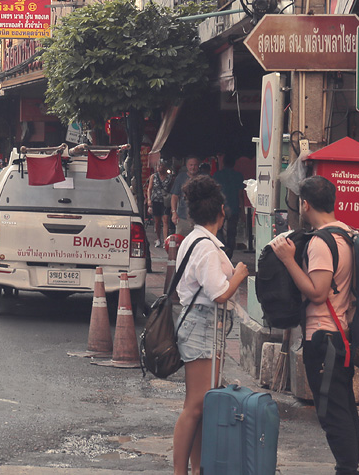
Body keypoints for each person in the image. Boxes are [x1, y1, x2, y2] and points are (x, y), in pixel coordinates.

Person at [270, 176, 359, 475]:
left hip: (323, 338)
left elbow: (318, 292)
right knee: (342, 409)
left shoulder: (322, 241)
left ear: (306, 204)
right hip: (339, 335)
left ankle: (347, 470)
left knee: (333, 414)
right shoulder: (347, 233)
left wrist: (288, 259)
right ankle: (348, 468)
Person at [171, 175, 249, 475]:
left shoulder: (197, 240)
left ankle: (197, 467)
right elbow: (219, 294)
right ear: (221, 212)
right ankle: (181, 471)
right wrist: (240, 274)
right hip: (201, 326)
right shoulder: (205, 246)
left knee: (203, 407)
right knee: (196, 406)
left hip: (204, 326)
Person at [211, 152, 245, 256]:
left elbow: (214, 192)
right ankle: (229, 251)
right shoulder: (239, 176)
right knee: (232, 232)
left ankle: (223, 247)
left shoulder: (217, 175)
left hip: (219, 206)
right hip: (234, 206)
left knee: (218, 229)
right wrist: (242, 210)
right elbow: (240, 195)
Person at [171, 155, 200, 236]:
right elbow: (174, 196)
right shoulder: (181, 177)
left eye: (195, 165)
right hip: (182, 218)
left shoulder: (203, 178)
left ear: (198, 166)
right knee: (179, 242)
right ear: (187, 166)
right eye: (191, 165)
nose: (193, 167)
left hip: (199, 219)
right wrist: (174, 213)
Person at [148, 158, 173, 248]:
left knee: (165, 220)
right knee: (157, 221)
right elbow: (150, 188)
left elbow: (172, 189)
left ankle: (165, 241)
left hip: (165, 201)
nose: (159, 167)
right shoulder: (153, 177)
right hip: (156, 200)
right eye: (158, 166)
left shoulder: (170, 177)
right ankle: (158, 238)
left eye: (161, 165)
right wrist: (149, 200)